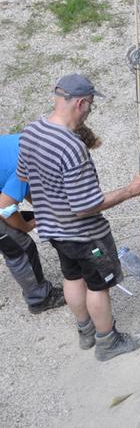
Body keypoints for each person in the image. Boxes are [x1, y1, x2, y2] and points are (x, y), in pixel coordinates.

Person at [17, 73, 140, 361]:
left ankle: (85, 331)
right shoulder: (71, 147)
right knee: (98, 285)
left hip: (53, 231)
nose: (90, 110)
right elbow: (86, 206)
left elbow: (23, 177)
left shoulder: (30, 132)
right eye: (90, 104)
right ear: (80, 103)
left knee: (72, 276)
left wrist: (49, 205)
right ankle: (108, 342)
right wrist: (130, 190)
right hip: (85, 234)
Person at [0, 134, 66, 314]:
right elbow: (5, 209)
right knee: (20, 246)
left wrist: (46, 210)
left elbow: (27, 186)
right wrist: (27, 226)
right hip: (2, 205)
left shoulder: (30, 140)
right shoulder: (28, 164)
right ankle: (40, 298)